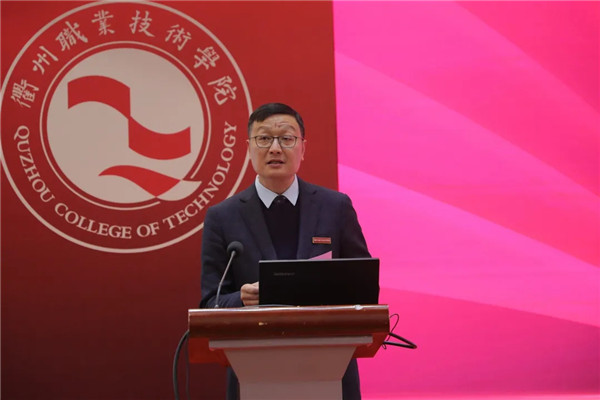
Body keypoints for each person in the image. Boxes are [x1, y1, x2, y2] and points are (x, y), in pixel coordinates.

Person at [200, 102, 370, 400]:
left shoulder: (336, 207)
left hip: (329, 367)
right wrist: (241, 299)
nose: (275, 148)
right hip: (254, 369)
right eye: (264, 138)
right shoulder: (222, 217)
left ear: (303, 148)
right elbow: (209, 303)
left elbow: (364, 288)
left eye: (287, 138)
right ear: (249, 148)